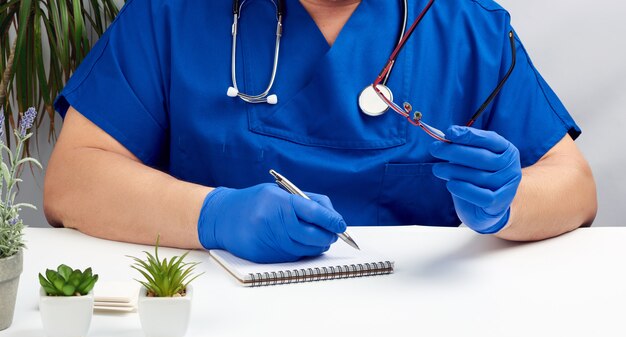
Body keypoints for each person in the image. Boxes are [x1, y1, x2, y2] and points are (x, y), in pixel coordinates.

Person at [44, 0, 597, 263]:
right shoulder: (173, 14)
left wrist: (510, 200)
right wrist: (214, 216)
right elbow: (73, 180)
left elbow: (574, 186)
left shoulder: (465, 27)